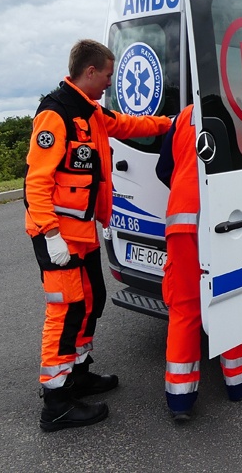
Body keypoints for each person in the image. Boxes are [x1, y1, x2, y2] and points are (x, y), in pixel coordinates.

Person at [25, 39, 172, 432]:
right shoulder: (56, 115)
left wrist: (173, 123)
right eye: (107, 74)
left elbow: (127, 125)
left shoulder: (89, 112)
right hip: (57, 237)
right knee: (66, 309)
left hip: (83, 232)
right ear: (90, 72)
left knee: (93, 301)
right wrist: (51, 235)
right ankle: (55, 404)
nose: (110, 82)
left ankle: (78, 374)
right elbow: (36, 184)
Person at [155, 103, 242, 422]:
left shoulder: (185, 114)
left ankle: (180, 399)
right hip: (225, 222)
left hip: (181, 221)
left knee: (184, 307)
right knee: (233, 299)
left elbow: (163, 169)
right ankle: (239, 383)